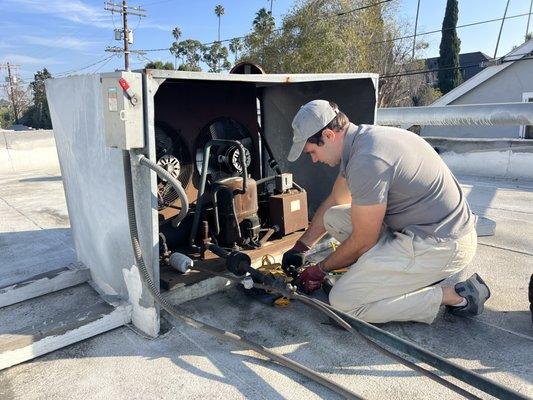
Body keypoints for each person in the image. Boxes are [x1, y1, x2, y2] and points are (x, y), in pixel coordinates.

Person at [282, 99, 490, 324]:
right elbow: (336, 200)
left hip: (441, 245)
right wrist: (302, 247)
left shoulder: (367, 160)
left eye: (312, 151)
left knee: (344, 303)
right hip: (422, 230)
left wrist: (320, 269)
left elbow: (364, 240)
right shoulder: (362, 141)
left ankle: (454, 296)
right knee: (334, 217)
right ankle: (384, 276)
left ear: (329, 136)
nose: (313, 160)